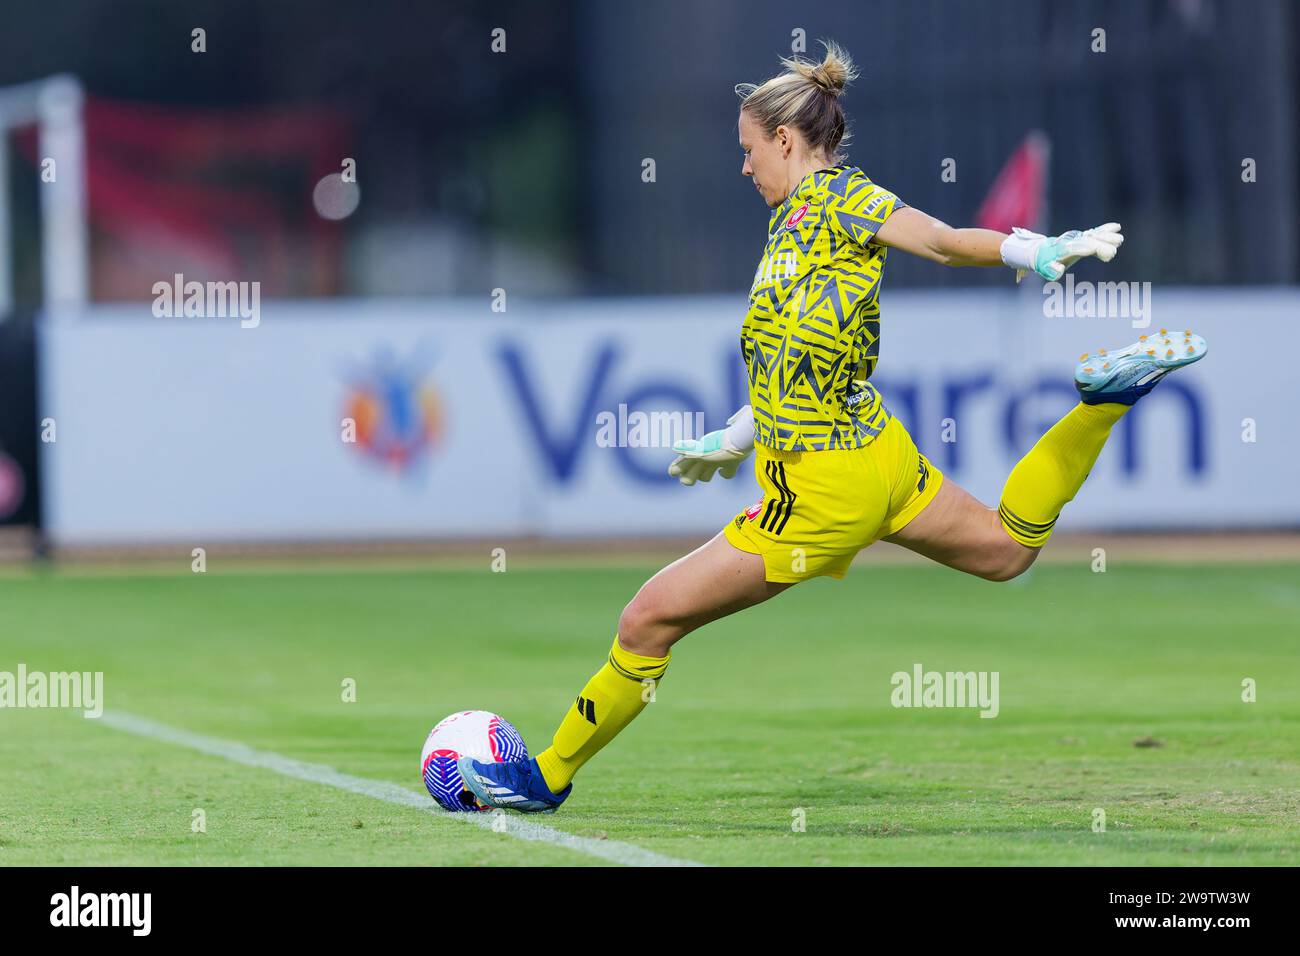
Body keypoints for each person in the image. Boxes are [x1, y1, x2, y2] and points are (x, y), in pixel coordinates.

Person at [459, 40, 1206, 813]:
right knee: (1007, 550)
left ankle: (543, 777)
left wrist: (1035, 248)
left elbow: (944, 241)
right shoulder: (789, 231)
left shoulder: (844, 200)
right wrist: (736, 436)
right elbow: (794, 356)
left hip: (823, 490)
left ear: (786, 141)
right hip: (873, 453)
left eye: (749, 151)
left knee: (647, 618)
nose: (744, 167)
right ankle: (1102, 406)